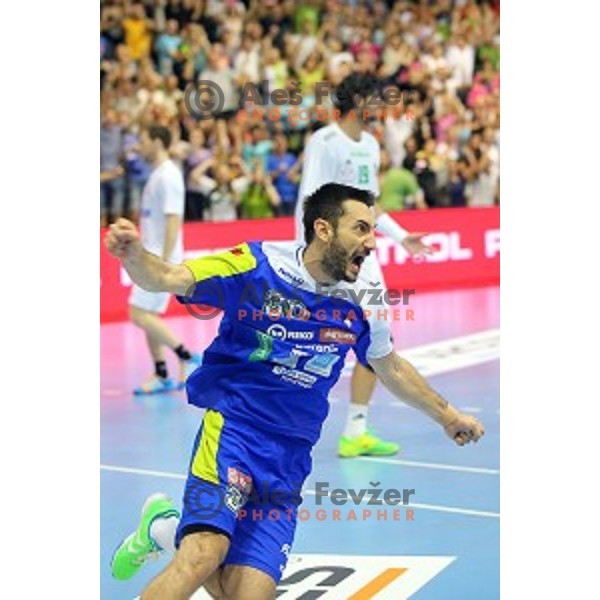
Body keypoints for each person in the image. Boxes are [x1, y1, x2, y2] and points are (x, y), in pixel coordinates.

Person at [105, 183, 484, 599]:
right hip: (234, 431)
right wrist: (133, 256)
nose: (371, 243)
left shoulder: (365, 300)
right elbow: (168, 277)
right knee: (202, 553)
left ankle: (161, 529)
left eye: (373, 231)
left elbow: (388, 364)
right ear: (323, 229)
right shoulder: (257, 264)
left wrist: (448, 416)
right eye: (360, 229)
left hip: (289, 457)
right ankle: (176, 534)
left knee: (247, 594)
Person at [294, 73, 433, 458]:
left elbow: (370, 203)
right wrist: (309, 256)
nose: (381, 105)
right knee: (307, 337)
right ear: (357, 100)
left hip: (364, 256)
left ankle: (356, 431)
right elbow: (308, 200)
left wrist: (402, 237)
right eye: (374, 98)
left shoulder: (371, 144)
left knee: (377, 335)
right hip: (329, 254)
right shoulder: (325, 141)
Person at [129, 125, 202, 394]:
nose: (140, 145)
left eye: (144, 139)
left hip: (160, 258)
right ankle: (161, 373)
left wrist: (163, 261)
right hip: (151, 254)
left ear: (158, 142)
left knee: (138, 313)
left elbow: (174, 219)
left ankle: (188, 357)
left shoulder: (169, 174)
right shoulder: (157, 175)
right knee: (148, 315)